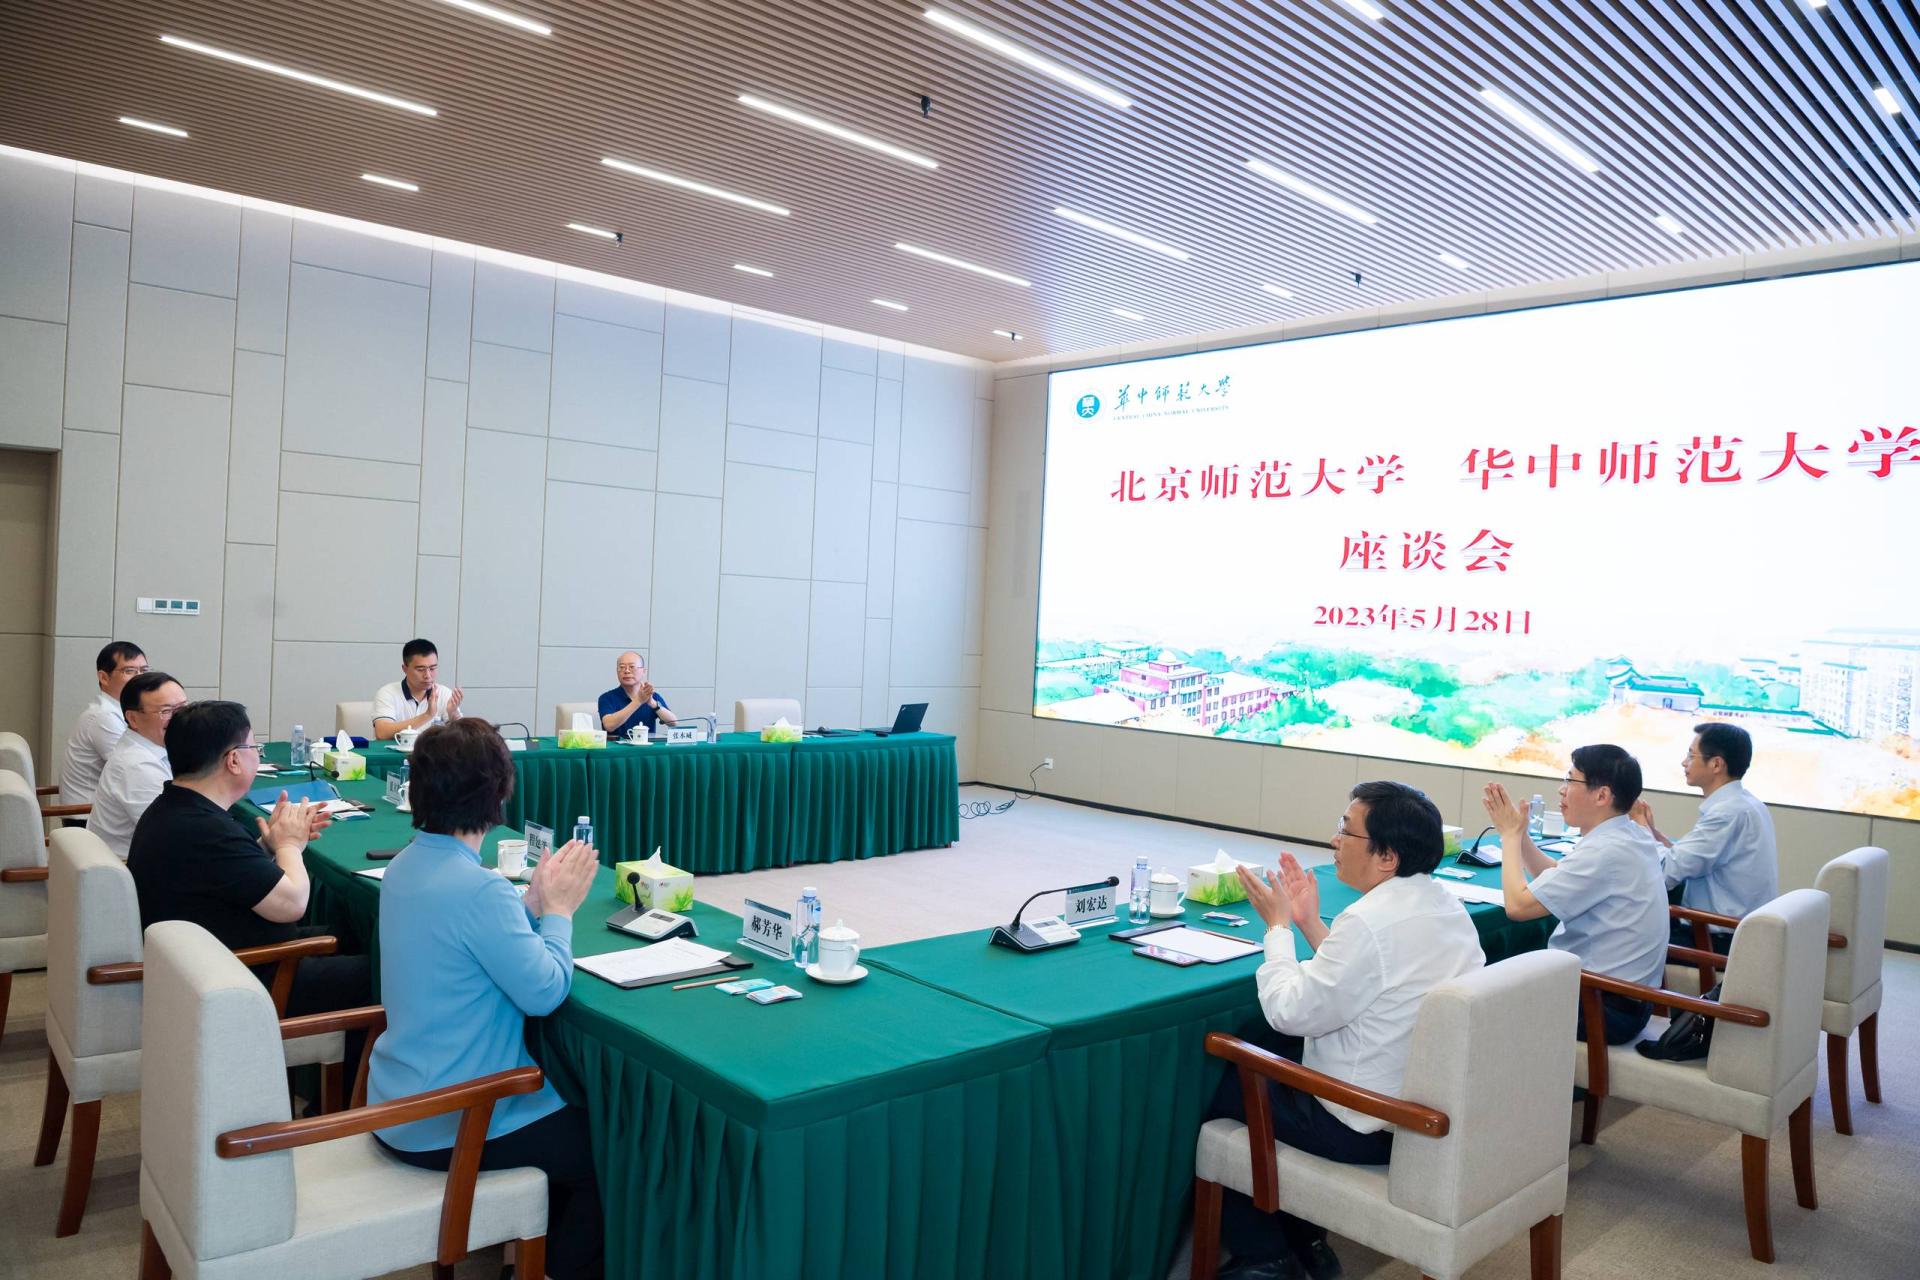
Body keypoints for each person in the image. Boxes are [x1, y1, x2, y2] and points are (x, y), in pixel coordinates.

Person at [1206, 781, 1483, 1280]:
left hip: (1361, 1122)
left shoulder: (1368, 921)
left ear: (1387, 857)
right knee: (1267, 1045)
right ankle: (1308, 1242)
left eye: (1346, 830)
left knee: (1226, 1075)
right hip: (1420, 1109)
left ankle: (1266, 1256)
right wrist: (1309, 922)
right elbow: (1366, 979)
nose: (1335, 839)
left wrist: (1277, 928)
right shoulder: (1444, 905)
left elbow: (1288, 1010)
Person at [367, 718, 604, 1280]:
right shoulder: (479, 889)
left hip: (398, 1099)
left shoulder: (403, 864)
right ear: (498, 794)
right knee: (609, 1156)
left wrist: (530, 903)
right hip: (457, 1118)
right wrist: (560, 913)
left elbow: (464, 942)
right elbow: (545, 991)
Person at [126, 701, 369, 1059]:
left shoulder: (175, 808)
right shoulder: (206, 829)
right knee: (381, 975)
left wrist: (267, 846)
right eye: (254, 747)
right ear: (234, 760)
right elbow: (292, 904)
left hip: (208, 963)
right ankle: (349, 1092)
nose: (257, 755)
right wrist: (289, 845)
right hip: (242, 980)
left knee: (352, 933)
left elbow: (224, 876)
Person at [1482, 744, 1667, 1045]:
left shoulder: (1606, 850)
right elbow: (1556, 875)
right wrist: (1521, 835)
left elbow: (1517, 907)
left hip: (1600, 1009)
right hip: (1626, 1001)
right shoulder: (1628, 833)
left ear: (1602, 795)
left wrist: (1509, 837)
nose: (1562, 789)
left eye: (1570, 780)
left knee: (1478, 999)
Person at [1630, 722, 1778, 952]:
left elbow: (1664, 873)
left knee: (1618, 934)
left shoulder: (1727, 813)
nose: (1684, 762)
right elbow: (1689, 858)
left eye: (1691, 755)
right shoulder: (1746, 803)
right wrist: (1653, 832)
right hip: (1734, 931)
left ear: (1716, 764)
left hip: (1716, 939)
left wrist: (1639, 824)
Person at [86, 671, 185, 859]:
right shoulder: (138, 766)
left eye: (183, 708)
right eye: (166, 711)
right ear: (133, 719)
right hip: (129, 869)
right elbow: (173, 836)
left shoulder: (152, 748)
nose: (180, 717)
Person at [58, 640, 147, 809]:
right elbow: (131, 768)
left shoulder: (118, 711)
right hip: (86, 815)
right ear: (104, 677)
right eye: (129, 671)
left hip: (104, 808)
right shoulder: (104, 716)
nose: (140, 678)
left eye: (144, 670)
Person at [372, 638, 462, 740]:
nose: (428, 675)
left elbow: (462, 739)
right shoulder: (387, 693)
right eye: (420, 669)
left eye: (432, 668)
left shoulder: (445, 693)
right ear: (405, 669)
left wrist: (454, 716)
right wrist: (427, 715)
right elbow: (382, 733)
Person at [597, 650, 676, 737]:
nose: (627, 671)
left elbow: (673, 723)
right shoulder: (607, 698)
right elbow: (609, 726)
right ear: (617, 671)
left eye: (632, 667)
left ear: (643, 671)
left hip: (646, 745)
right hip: (616, 746)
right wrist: (638, 701)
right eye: (622, 667)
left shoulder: (652, 696)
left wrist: (652, 703)